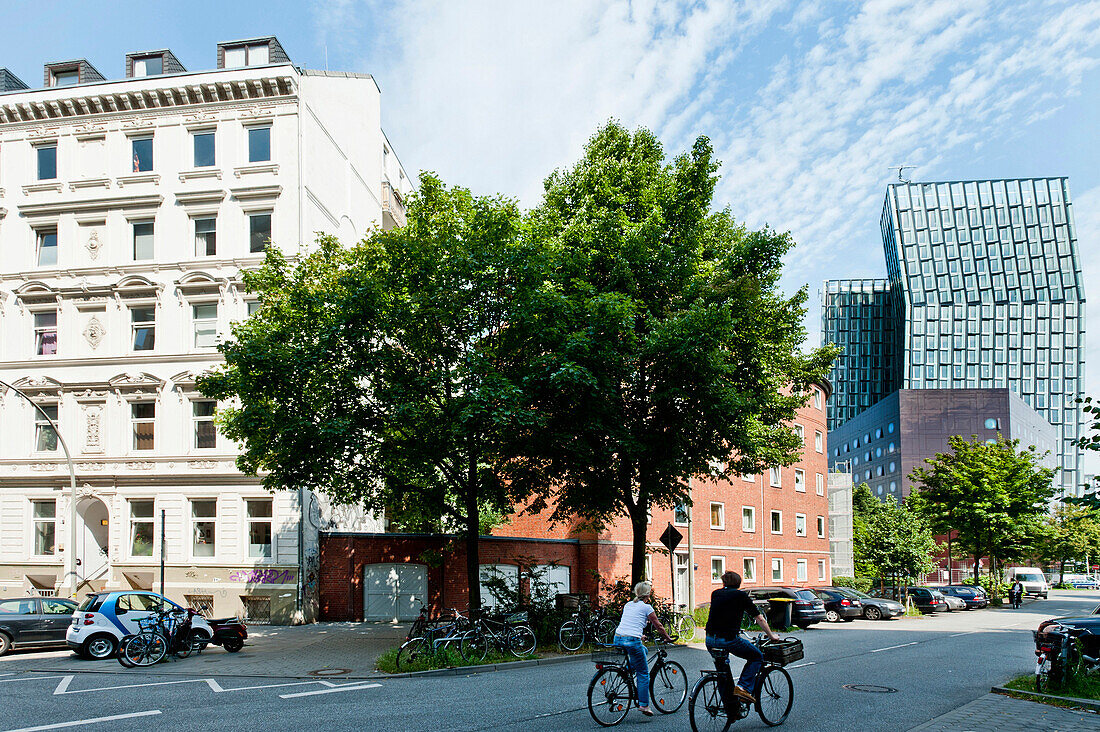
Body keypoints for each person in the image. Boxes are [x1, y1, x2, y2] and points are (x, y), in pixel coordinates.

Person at [705, 570, 781, 708]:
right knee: (757, 656)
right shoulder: (740, 595)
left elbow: (722, 613)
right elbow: (759, 618)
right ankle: (743, 687)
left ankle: (732, 710)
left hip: (710, 639)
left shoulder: (715, 593)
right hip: (728, 639)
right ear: (738, 583)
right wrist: (771, 635)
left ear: (724, 582)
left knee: (724, 675)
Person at [613, 581, 675, 717]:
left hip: (618, 638)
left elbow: (629, 623)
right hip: (631, 641)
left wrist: (639, 636)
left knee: (644, 651)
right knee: (643, 673)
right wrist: (667, 637)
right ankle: (644, 705)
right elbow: (658, 626)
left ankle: (626, 672)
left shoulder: (628, 605)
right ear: (648, 595)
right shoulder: (647, 608)